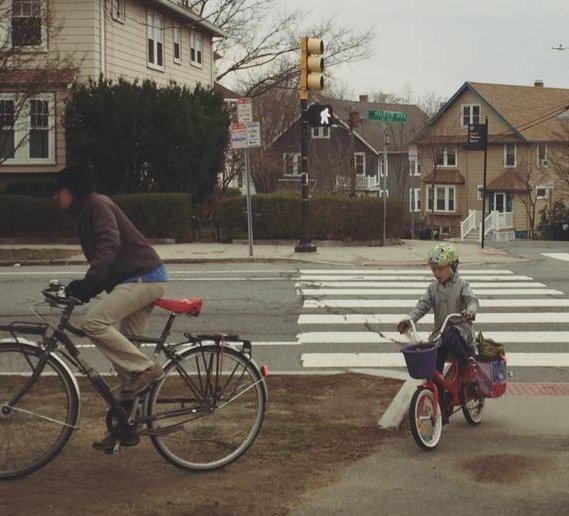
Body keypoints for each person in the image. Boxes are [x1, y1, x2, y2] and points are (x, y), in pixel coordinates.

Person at [53, 164, 168, 451]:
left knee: (94, 324)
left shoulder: (98, 204)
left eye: (59, 191)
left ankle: (148, 369)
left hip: (144, 277)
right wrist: (86, 286)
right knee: (124, 358)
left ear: (72, 190)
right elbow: (103, 257)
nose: (56, 197)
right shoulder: (84, 212)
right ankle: (125, 427)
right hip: (132, 279)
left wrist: (90, 283)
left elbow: (109, 245)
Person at [396, 242, 479, 383]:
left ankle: (467, 365)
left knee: (450, 335)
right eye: (433, 269)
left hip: (461, 334)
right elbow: (421, 306)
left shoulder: (462, 286)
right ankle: (440, 396)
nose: (436, 273)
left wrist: (470, 311)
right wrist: (408, 320)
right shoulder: (433, 288)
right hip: (440, 335)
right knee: (434, 370)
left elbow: (472, 301)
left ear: (452, 267)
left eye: (440, 269)